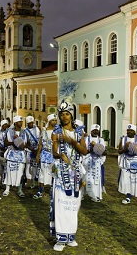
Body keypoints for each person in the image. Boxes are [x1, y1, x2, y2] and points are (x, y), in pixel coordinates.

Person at [50, 78, 87, 252]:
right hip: (61, 173)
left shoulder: (79, 132)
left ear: (72, 115)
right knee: (61, 204)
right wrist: (60, 154)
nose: (64, 117)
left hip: (76, 173)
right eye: (62, 114)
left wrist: (71, 140)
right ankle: (60, 238)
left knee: (73, 205)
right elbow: (54, 151)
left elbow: (84, 150)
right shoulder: (56, 131)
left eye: (67, 114)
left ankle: (71, 235)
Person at [2, 116, 27, 197]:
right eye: (19, 122)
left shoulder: (24, 132)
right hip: (11, 155)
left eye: (21, 121)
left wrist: (18, 140)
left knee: (20, 173)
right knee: (9, 172)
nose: (21, 123)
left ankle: (20, 190)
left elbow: (24, 145)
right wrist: (13, 142)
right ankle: (7, 189)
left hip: (20, 155)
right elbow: (5, 143)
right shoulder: (9, 132)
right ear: (15, 123)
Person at [33, 114, 57, 199]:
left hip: (54, 156)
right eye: (53, 120)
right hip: (44, 155)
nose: (55, 122)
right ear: (49, 121)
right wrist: (38, 155)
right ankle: (40, 190)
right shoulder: (44, 131)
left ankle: (52, 190)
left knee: (53, 173)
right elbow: (40, 144)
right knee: (42, 174)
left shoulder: (58, 131)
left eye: (55, 120)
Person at [83, 124, 106, 202]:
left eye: (97, 130)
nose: (95, 131)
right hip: (88, 161)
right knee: (86, 177)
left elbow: (104, 151)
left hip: (97, 161)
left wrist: (96, 147)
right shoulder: (86, 139)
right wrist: (93, 148)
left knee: (96, 178)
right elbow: (85, 150)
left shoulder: (101, 140)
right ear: (91, 130)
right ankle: (83, 194)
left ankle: (95, 195)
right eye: (94, 130)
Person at [24, 115, 41, 189]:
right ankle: (28, 179)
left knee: (34, 167)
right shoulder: (25, 131)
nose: (31, 124)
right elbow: (25, 143)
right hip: (29, 151)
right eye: (29, 123)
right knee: (28, 166)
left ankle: (33, 181)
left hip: (36, 150)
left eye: (32, 122)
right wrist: (32, 149)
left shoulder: (37, 129)